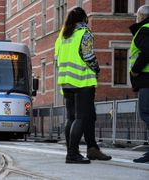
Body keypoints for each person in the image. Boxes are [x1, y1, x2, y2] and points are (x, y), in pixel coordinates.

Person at [55, 7, 111, 164]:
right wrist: (97, 68)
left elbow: (56, 58)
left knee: (71, 118)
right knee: (81, 118)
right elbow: (87, 55)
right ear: (84, 19)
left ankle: (74, 151)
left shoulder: (62, 36)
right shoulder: (84, 33)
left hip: (66, 82)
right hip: (82, 81)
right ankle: (72, 154)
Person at [129, 5, 149, 163]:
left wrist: (135, 69)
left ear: (142, 16)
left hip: (146, 79)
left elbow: (146, 52)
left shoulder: (145, 29)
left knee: (146, 113)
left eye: (137, 16)